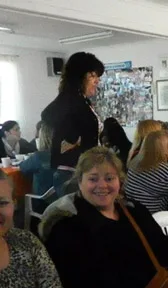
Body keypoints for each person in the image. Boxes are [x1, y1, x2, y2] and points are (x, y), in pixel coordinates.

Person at [40, 147, 168, 288]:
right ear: (80, 182)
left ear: (120, 181)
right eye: (93, 179)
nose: (102, 185)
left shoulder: (135, 211)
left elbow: (165, 248)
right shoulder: (66, 226)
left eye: (109, 178)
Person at [41, 52, 105, 197]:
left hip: (85, 168)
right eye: (92, 76)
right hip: (72, 172)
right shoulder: (71, 99)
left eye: (97, 77)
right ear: (79, 77)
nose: (97, 81)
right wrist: (72, 138)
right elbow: (47, 115)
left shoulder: (82, 101)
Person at [124, 130, 168, 213]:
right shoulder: (166, 170)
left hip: (132, 213)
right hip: (152, 218)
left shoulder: (135, 162)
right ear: (164, 149)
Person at [20, 122, 55, 196]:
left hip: (41, 200)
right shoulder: (67, 154)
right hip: (61, 198)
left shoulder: (39, 156)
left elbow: (23, 168)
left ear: (42, 137)